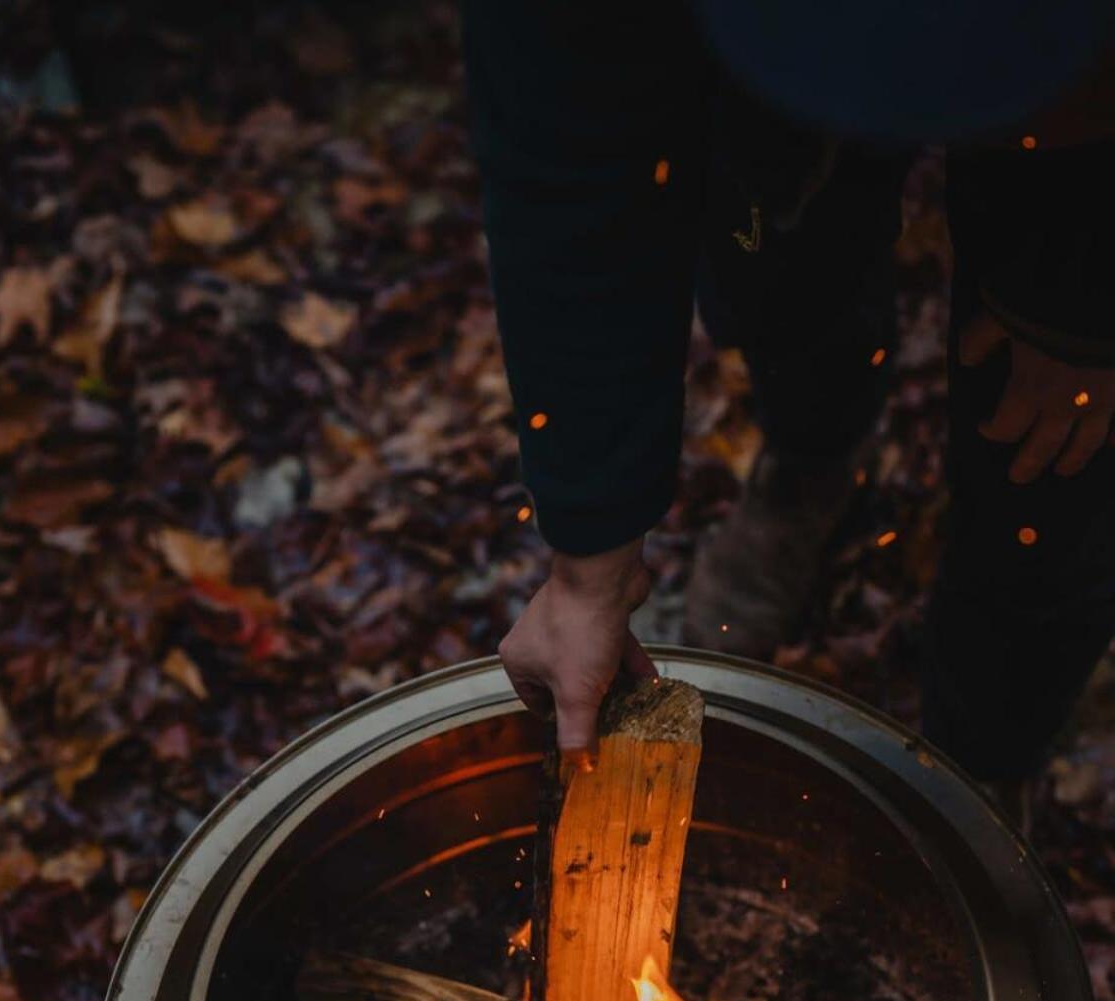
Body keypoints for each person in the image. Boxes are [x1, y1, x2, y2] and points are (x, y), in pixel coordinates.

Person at [462, 1, 1115, 793]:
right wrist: (589, 562)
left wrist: (1082, 312)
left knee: (1053, 469)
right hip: (763, 89)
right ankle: (813, 459)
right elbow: (567, 166)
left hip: (1083, 123)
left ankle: (984, 782)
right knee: (776, 262)